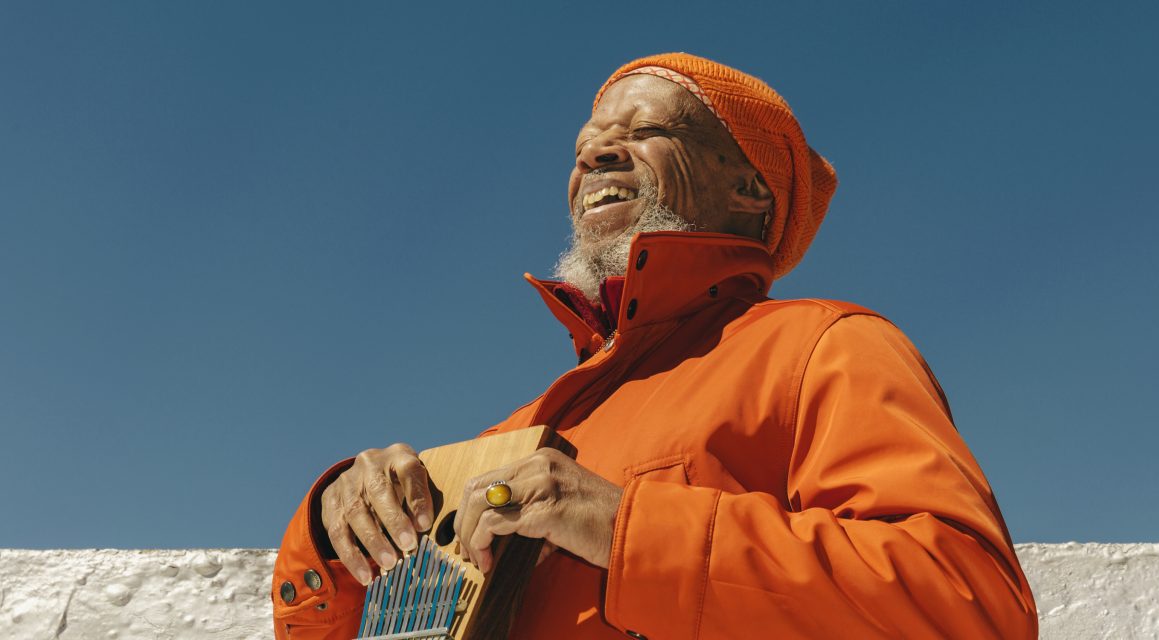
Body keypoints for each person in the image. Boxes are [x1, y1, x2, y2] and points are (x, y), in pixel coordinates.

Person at [271, 53, 1039, 639]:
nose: (596, 156)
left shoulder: (824, 347)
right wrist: (334, 536)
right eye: (585, 146)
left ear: (748, 189)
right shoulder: (507, 437)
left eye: (643, 134)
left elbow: (967, 603)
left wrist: (628, 530)